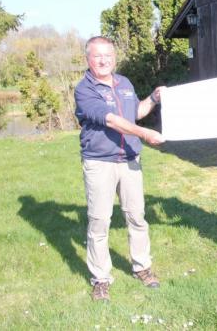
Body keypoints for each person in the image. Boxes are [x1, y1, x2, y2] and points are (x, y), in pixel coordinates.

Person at [74, 36, 167, 301]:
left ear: (115, 57)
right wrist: (146, 134)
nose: (103, 60)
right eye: (97, 56)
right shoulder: (84, 90)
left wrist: (153, 97)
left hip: (129, 160)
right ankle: (101, 279)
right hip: (100, 162)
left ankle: (142, 267)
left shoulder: (124, 82)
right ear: (88, 59)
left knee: (136, 216)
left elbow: (134, 112)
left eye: (108, 55)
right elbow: (113, 120)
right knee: (99, 221)